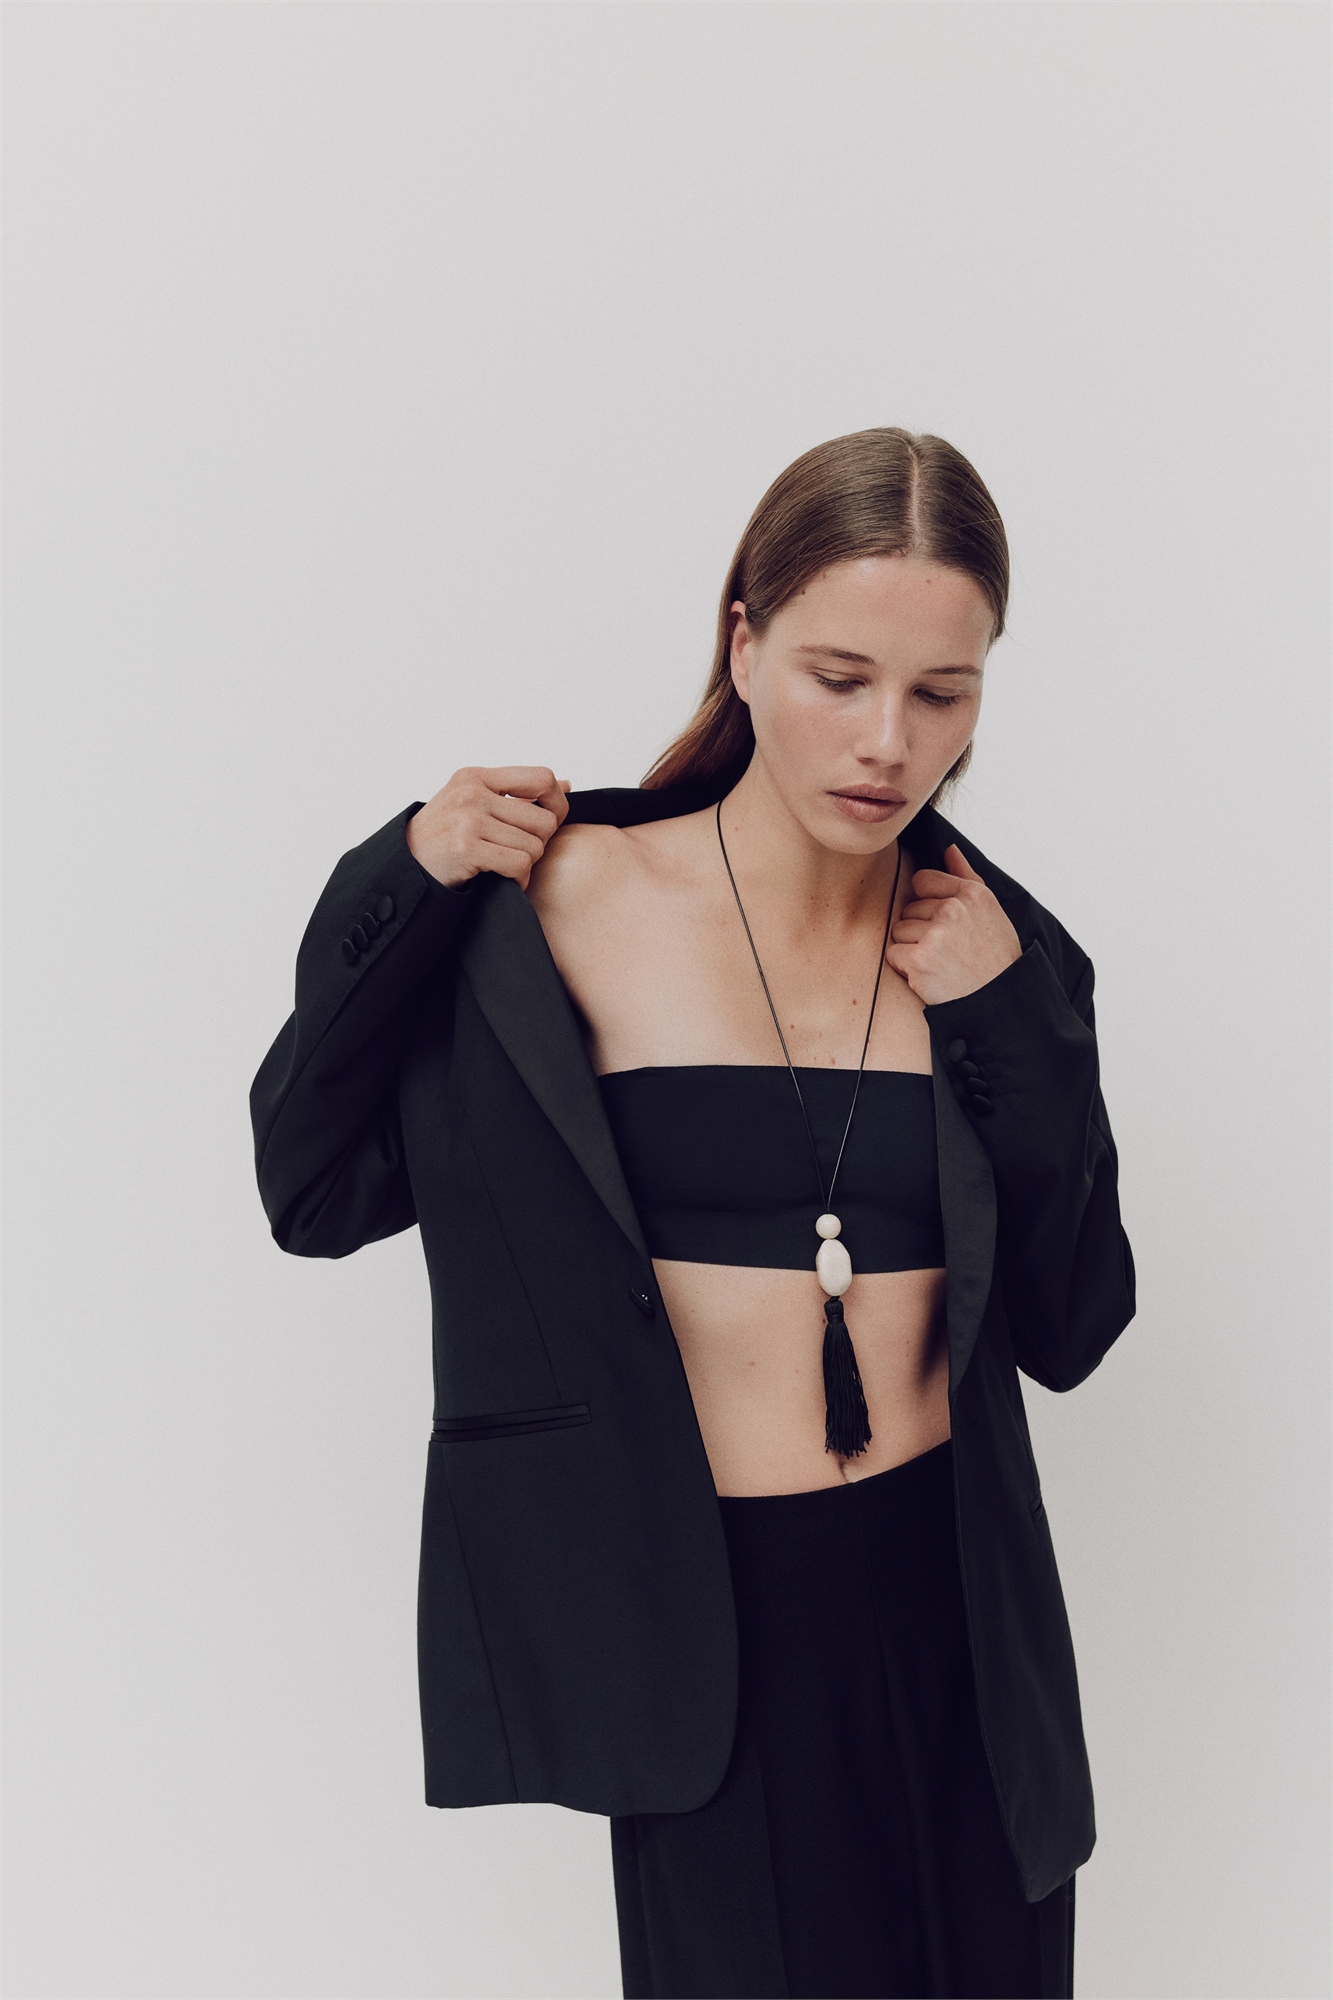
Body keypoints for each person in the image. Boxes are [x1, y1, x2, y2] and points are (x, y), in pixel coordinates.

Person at [250, 428, 1134, 2000]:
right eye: (838, 677)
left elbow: (1072, 1324)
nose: (887, 743)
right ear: (742, 642)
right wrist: (402, 874)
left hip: (958, 1619)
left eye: (942, 693)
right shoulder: (554, 907)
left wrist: (1011, 1024)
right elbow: (310, 1188)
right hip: (707, 1637)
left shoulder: (993, 951)